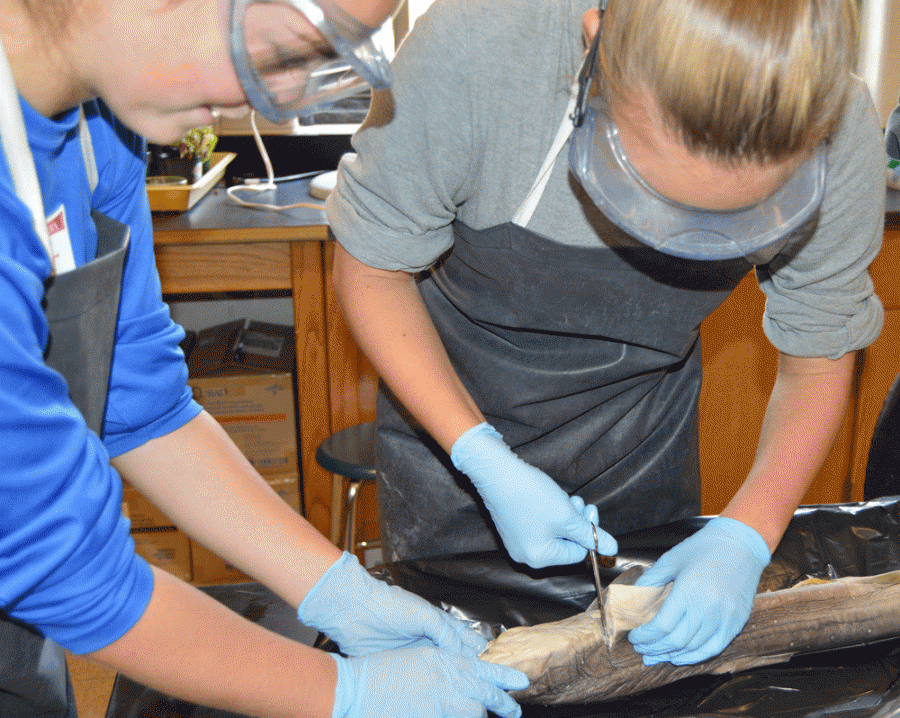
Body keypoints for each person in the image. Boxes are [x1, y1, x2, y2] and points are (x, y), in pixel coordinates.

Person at [0, 0, 529, 717]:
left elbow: (142, 409)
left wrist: (337, 589)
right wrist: (347, 694)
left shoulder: (104, 130)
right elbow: (66, 566)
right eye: (279, 53)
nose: (269, 98)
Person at [326, 0, 885, 668]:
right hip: (447, 431)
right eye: (649, 190)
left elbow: (819, 357)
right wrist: (480, 455)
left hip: (641, 440)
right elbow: (372, 269)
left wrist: (748, 533)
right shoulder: (478, 46)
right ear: (597, 44)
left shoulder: (839, 119)